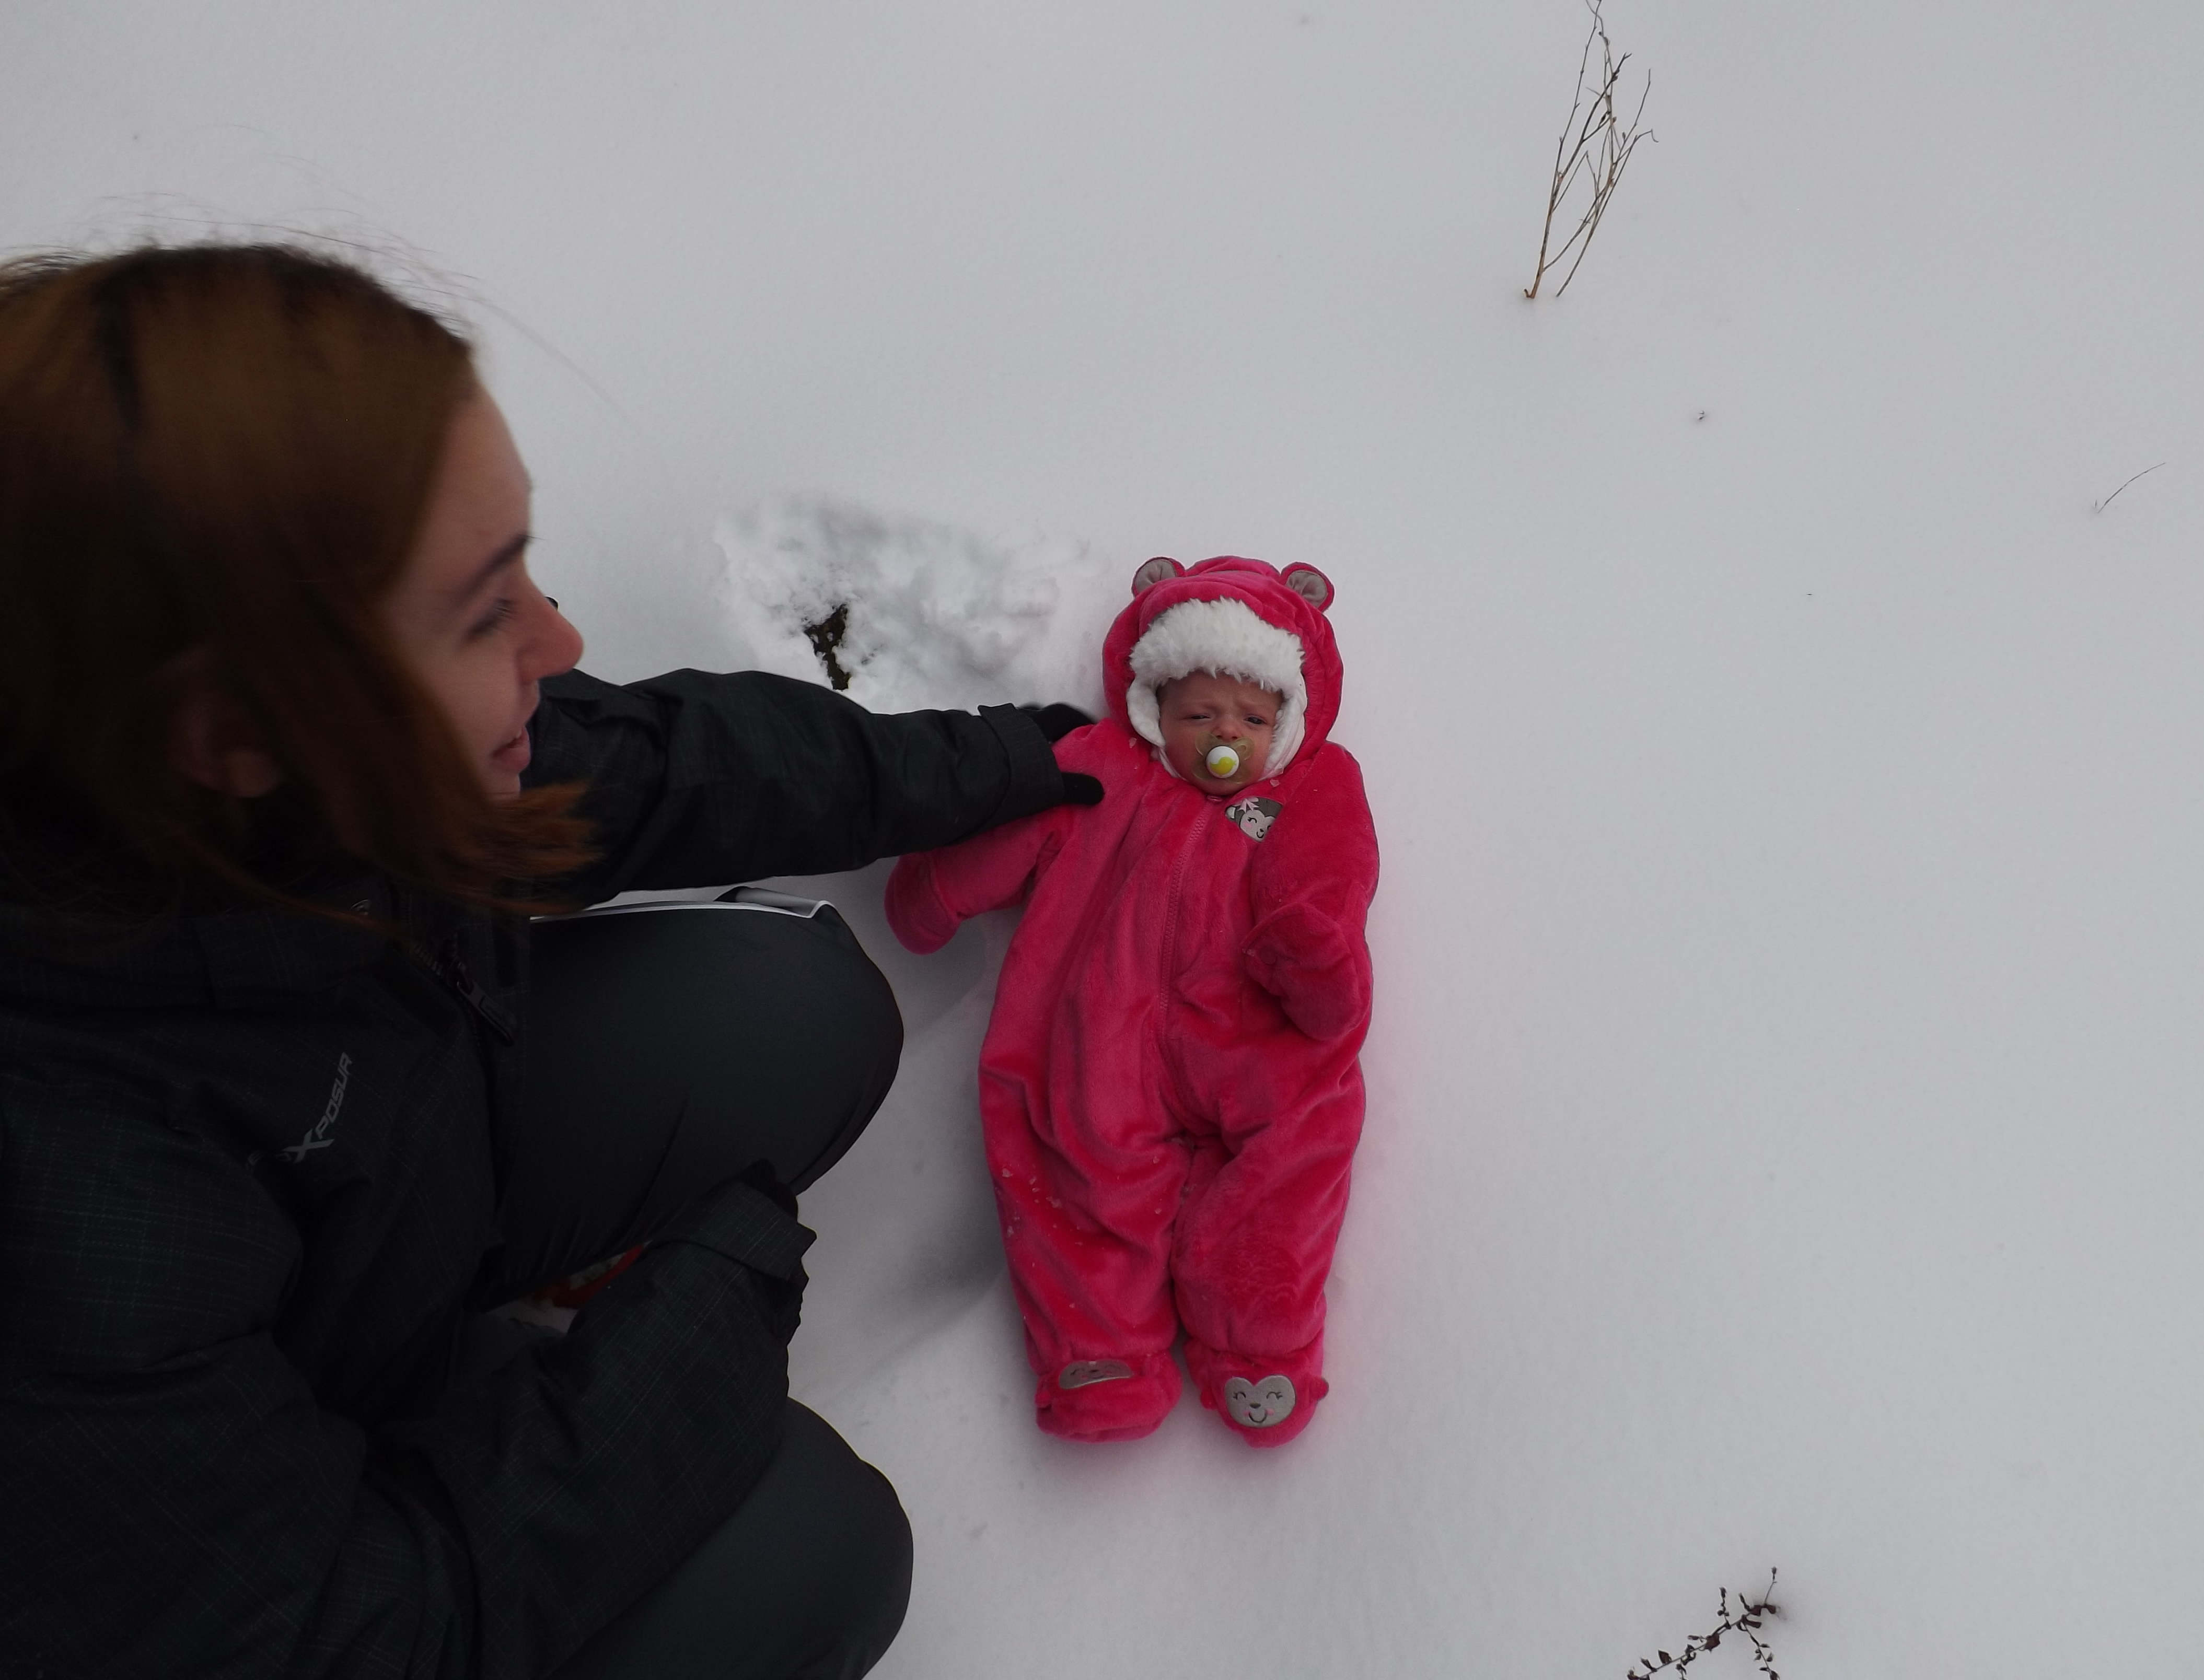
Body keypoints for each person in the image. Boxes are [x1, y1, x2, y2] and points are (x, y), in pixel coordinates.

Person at [0, 243, 1099, 1678]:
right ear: (233, 732)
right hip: (252, 1557)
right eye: (481, 611)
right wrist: (685, 1343)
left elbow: (662, 765)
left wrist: (1020, 760)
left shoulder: (285, 764)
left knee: (791, 1012)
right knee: (811, 1543)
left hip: (370, 1216)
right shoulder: (78, 1214)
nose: (562, 639)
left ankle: (465, 1338)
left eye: (526, 569)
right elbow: (342, 1636)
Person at [883, 555, 1378, 1448]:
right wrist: (943, 887)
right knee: (1074, 1157)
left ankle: (1255, 1349)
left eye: (1254, 717)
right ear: (1154, 708)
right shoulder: (1102, 763)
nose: (1225, 734)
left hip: (1256, 1036)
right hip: (1098, 1029)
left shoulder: (1316, 785)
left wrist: (1316, 962)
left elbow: (1329, 887)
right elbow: (1022, 825)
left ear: (1291, 719)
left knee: (1290, 1167)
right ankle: (1100, 1349)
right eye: (1197, 714)